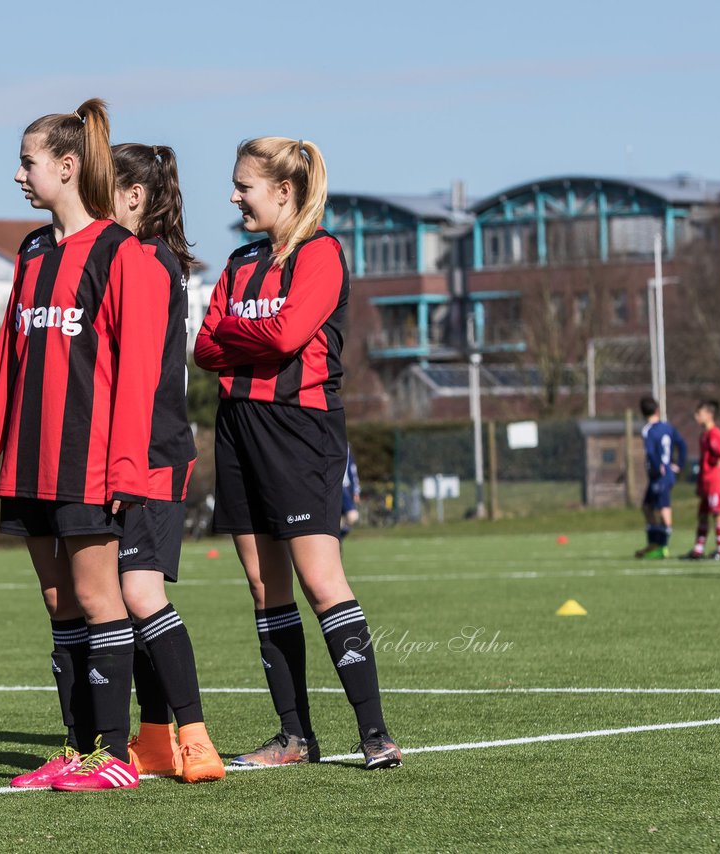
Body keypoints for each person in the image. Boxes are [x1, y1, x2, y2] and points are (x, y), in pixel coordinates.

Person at [0, 99, 165, 792]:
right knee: (58, 605)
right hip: (29, 461)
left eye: (28, 161)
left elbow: (136, 374)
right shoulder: (33, 251)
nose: (18, 174)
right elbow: (7, 365)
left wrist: (127, 465)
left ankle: (114, 756)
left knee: (101, 599)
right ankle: (74, 750)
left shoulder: (121, 253)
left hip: (90, 461)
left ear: (67, 167)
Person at [194, 137, 401, 770]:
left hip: (300, 429)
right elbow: (204, 348)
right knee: (264, 584)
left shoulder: (323, 253)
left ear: (284, 192)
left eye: (244, 187)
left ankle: (374, 734)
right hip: (238, 427)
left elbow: (286, 334)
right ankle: (294, 736)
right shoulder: (238, 260)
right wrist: (243, 336)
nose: (233, 197)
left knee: (320, 579)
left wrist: (237, 330)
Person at [109, 142, 223, 785]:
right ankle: (153, 740)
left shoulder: (146, 259)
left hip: (151, 451)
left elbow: (140, 371)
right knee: (124, 602)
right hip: (127, 451)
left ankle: (195, 736)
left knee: (139, 593)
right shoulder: (132, 256)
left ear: (135, 197)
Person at [635, 396, 686, 560]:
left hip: (660, 475)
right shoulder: (667, 427)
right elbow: (682, 444)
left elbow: (650, 452)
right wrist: (680, 464)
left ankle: (662, 546)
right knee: (647, 507)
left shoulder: (648, 430)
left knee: (663, 508)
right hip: (664, 474)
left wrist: (659, 466)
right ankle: (655, 543)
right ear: (657, 410)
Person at [681, 399, 720, 560]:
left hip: (716, 481)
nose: (697, 416)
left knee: (718, 513)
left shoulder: (714, 434)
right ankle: (698, 549)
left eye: (700, 413)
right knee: (702, 514)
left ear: (709, 415)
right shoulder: (704, 435)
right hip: (706, 480)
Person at [340, 443, 360, 540]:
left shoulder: (345, 446)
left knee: (352, 516)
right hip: (332, 486)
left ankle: (339, 538)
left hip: (345, 487)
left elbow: (353, 470)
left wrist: (356, 490)